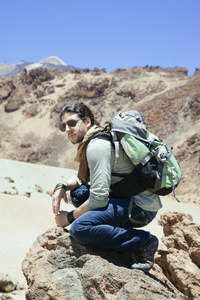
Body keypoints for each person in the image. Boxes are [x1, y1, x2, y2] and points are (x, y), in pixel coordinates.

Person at [52, 102, 162, 272]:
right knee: (78, 193)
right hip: (128, 199)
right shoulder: (96, 139)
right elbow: (86, 177)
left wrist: (70, 217)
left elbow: (98, 198)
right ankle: (108, 228)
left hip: (141, 208)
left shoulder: (97, 146)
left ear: (87, 121)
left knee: (80, 228)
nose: (67, 129)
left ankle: (144, 242)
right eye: (63, 125)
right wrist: (63, 185)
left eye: (72, 123)